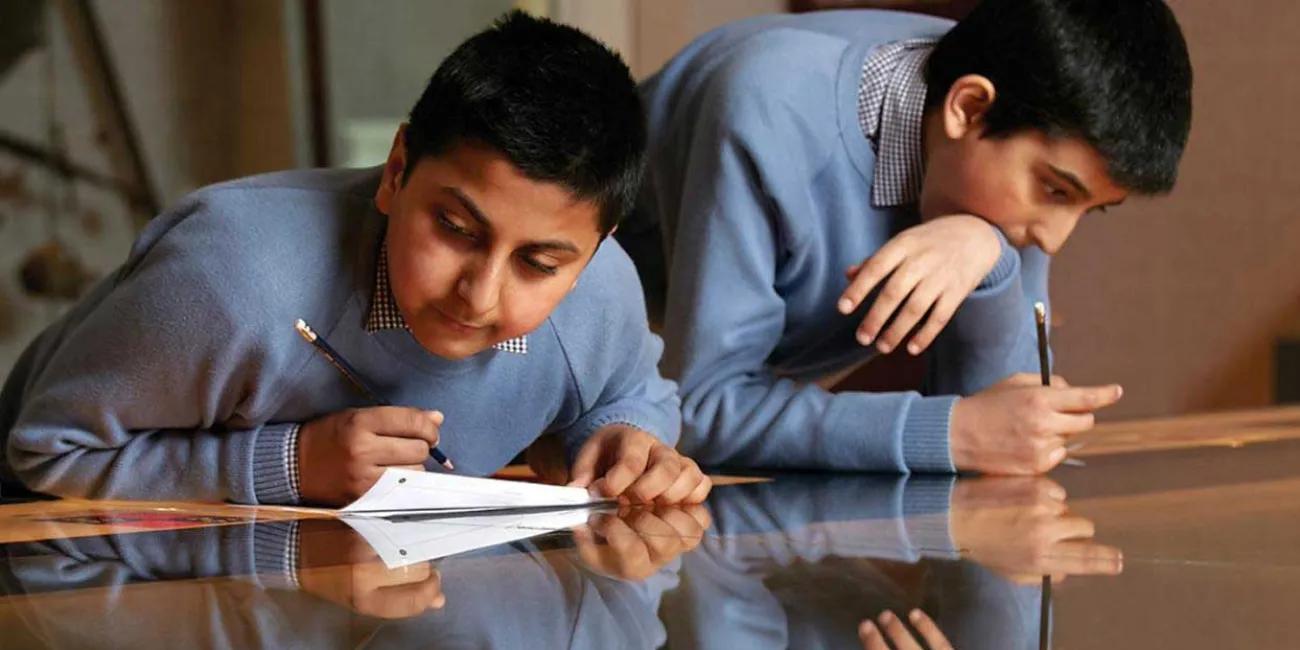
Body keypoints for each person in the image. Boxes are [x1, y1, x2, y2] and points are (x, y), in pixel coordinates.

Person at [0, 11, 710, 507]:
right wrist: (288, 466)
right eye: (457, 228)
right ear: (397, 168)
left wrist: (624, 443)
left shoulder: (601, 288)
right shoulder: (231, 280)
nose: (480, 295)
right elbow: (44, 451)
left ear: (602, 243)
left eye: (541, 265)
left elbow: (634, 393)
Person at [618, 0, 1191, 474]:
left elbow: (1007, 427)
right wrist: (949, 433)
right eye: (1056, 191)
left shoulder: (1008, 148)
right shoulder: (767, 112)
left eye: (1091, 210)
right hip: (567, 357)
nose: (1054, 240)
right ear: (968, 109)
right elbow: (697, 409)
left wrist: (989, 260)